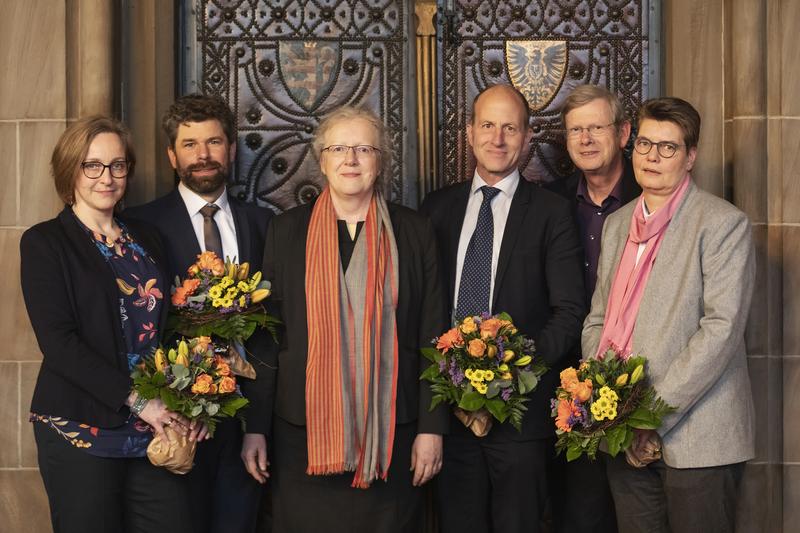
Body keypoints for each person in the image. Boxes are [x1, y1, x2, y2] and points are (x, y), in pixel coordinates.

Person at [239, 105, 448, 532]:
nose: (350, 159)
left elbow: (433, 335)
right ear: (321, 160)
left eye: (364, 149)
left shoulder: (414, 231)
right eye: (339, 148)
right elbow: (266, 339)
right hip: (302, 435)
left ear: (380, 160)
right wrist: (254, 428)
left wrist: (433, 428)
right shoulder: (286, 231)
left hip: (393, 432)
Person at [20, 116, 207, 533]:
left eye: (117, 165)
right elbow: (58, 342)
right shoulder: (45, 242)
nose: (106, 177)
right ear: (71, 170)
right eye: (93, 165)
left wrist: (189, 399)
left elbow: (170, 323)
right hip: (80, 426)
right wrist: (137, 400)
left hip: (155, 428)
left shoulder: (147, 236)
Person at [582, 97, 755, 533]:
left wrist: (650, 417)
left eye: (668, 147)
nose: (652, 157)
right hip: (621, 437)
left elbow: (721, 330)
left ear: (690, 155)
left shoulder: (721, 223)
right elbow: (597, 319)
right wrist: (613, 410)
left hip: (698, 438)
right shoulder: (618, 223)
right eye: (644, 144)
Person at [420, 84, 586, 533]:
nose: (498, 138)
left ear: (527, 137)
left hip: (521, 419)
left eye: (510, 128)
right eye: (488, 125)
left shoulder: (552, 212)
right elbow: (421, 309)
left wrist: (506, 377)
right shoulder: (437, 208)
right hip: (449, 419)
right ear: (469, 133)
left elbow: (569, 313)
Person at [125, 94, 272, 533]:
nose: (202, 155)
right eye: (190, 145)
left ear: (230, 149)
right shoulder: (139, 225)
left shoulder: (264, 225)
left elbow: (270, 336)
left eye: (213, 142)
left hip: (243, 421)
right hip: (173, 421)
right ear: (172, 155)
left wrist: (257, 426)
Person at [545, 84, 642, 533]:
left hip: (639, 380)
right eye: (575, 130)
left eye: (596, 128)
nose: (585, 139)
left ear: (623, 133)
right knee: (578, 513)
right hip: (565, 382)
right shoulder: (549, 202)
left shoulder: (652, 194)